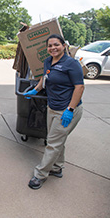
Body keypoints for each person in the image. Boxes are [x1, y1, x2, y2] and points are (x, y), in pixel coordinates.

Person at [23, 34, 85, 190]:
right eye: (50, 46)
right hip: (52, 107)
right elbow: (45, 78)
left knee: (52, 143)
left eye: (56, 44)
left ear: (64, 46)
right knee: (56, 140)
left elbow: (80, 87)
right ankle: (57, 167)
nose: (53, 48)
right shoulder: (48, 61)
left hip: (67, 110)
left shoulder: (72, 64)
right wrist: (35, 90)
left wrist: (70, 109)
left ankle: (40, 175)